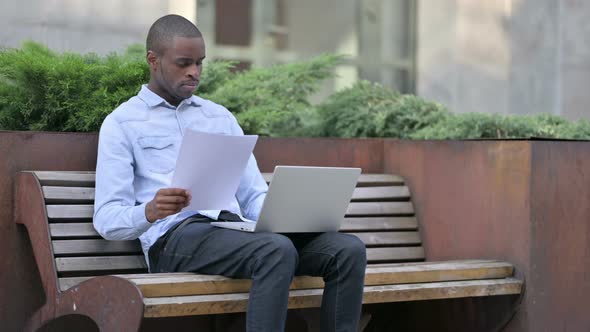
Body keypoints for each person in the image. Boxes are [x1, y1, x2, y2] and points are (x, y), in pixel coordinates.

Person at [93, 14, 366, 332]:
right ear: (153, 60)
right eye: (184, 63)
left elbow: (252, 196)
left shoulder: (218, 117)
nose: (194, 72)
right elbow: (108, 219)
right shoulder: (122, 123)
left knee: (346, 251)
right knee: (274, 251)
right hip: (173, 239)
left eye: (200, 63)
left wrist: (291, 217)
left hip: (234, 232)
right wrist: (150, 211)